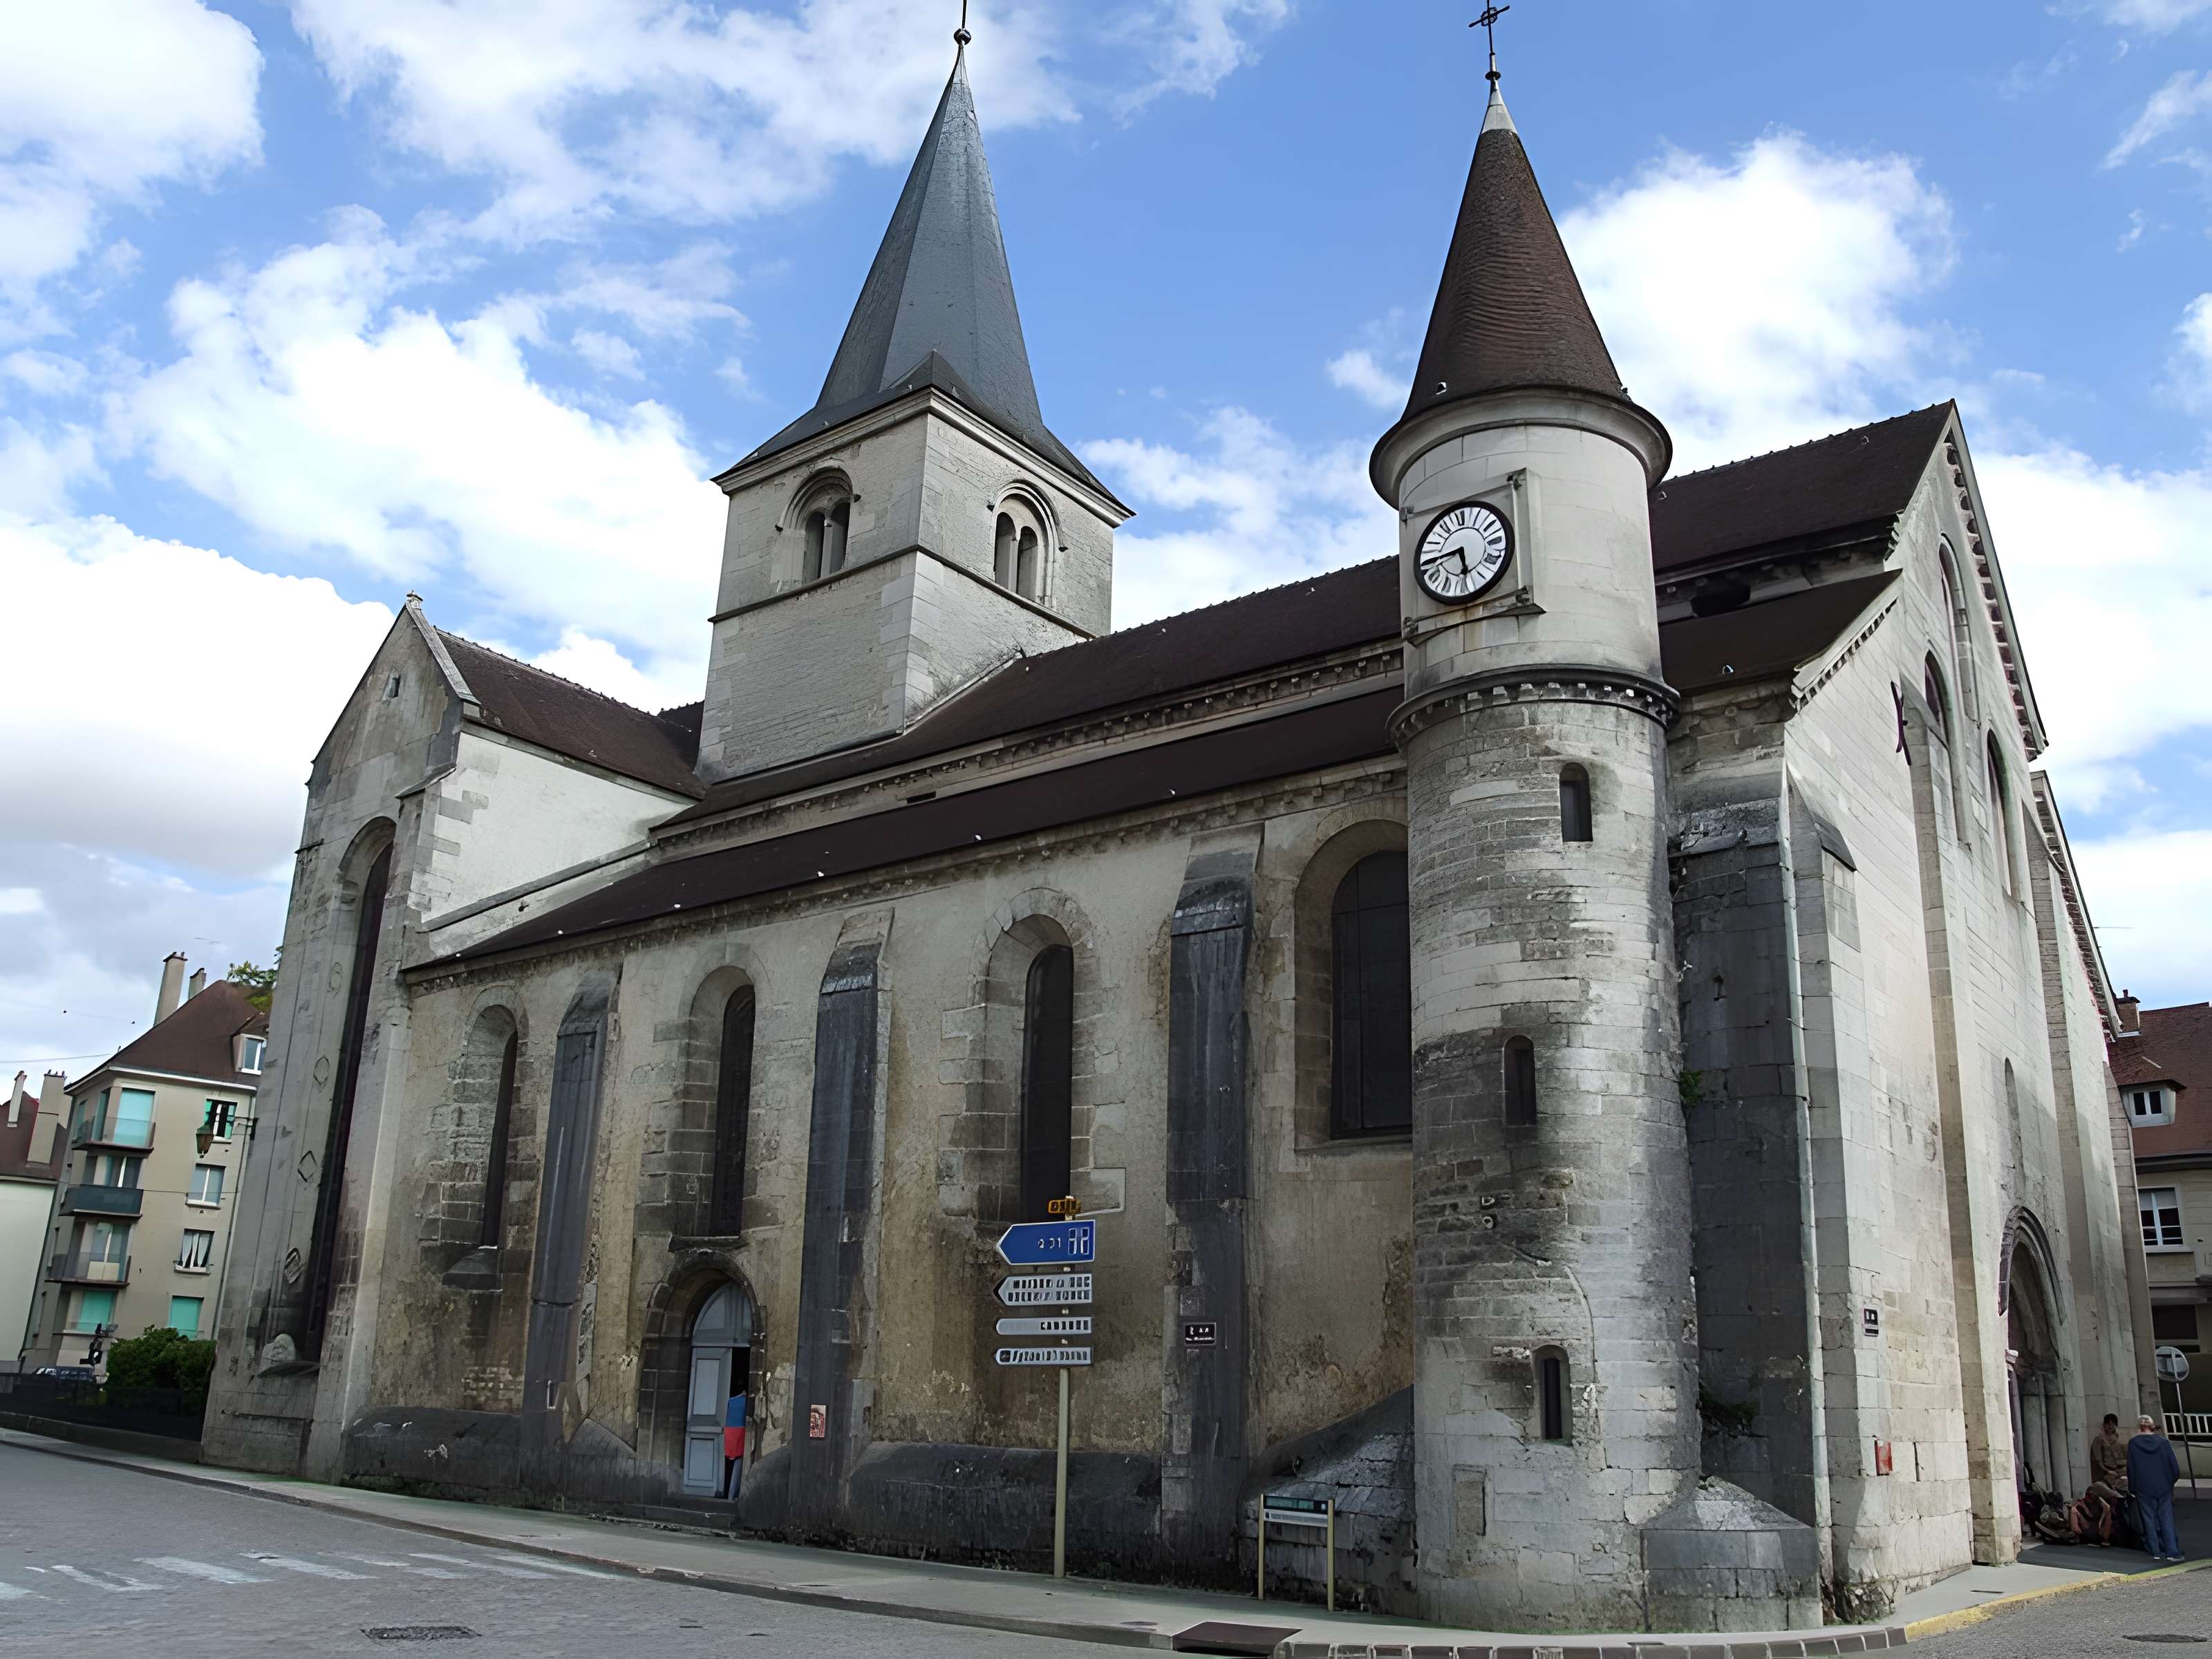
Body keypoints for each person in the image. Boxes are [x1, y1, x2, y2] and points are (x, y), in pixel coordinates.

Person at [2128, 1414, 2185, 1561]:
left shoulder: (2133, 1443)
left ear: (2139, 1426)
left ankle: (2156, 1551)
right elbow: (2174, 1468)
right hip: (2163, 1487)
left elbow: (2131, 1468)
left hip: (2143, 1488)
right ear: (2153, 1426)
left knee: (2149, 1520)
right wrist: (2169, 1483)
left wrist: (2133, 1488)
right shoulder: (2163, 1443)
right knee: (2167, 1520)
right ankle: (2172, 1551)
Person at [2092, 1414, 2131, 1495]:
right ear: (2104, 1425)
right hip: (2108, 1471)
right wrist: (2107, 1470)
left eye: (2113, 1423)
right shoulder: (2099, 1440)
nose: (2110, 1425)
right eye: (2108, 1423)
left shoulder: (2119, 1439)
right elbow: (2097, 1459)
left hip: (2122, 1470)